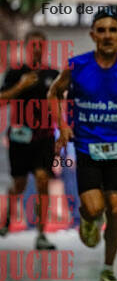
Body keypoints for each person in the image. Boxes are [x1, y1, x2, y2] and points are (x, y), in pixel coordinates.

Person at [48, 8, 117, 281]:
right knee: (96, 207)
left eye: (112, 30)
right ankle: (88, 218)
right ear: (93, 34)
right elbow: (53, 92)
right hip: (87, 147)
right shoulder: (76, 66)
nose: (107, 35)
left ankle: (108, 270)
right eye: (102, 30)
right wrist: (62, 125)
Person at [0, 30, 58, 249]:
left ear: (45, 47)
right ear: (26, 47)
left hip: (44, 137)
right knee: (20, 184)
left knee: (43, 180)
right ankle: (7, 217)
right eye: (33, 45)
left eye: (40, 45)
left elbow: (61, 103)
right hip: (20, 138)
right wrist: (20, 87)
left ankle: (41, 234)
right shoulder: (15, 72)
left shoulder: (53, 74)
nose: (37, 49)